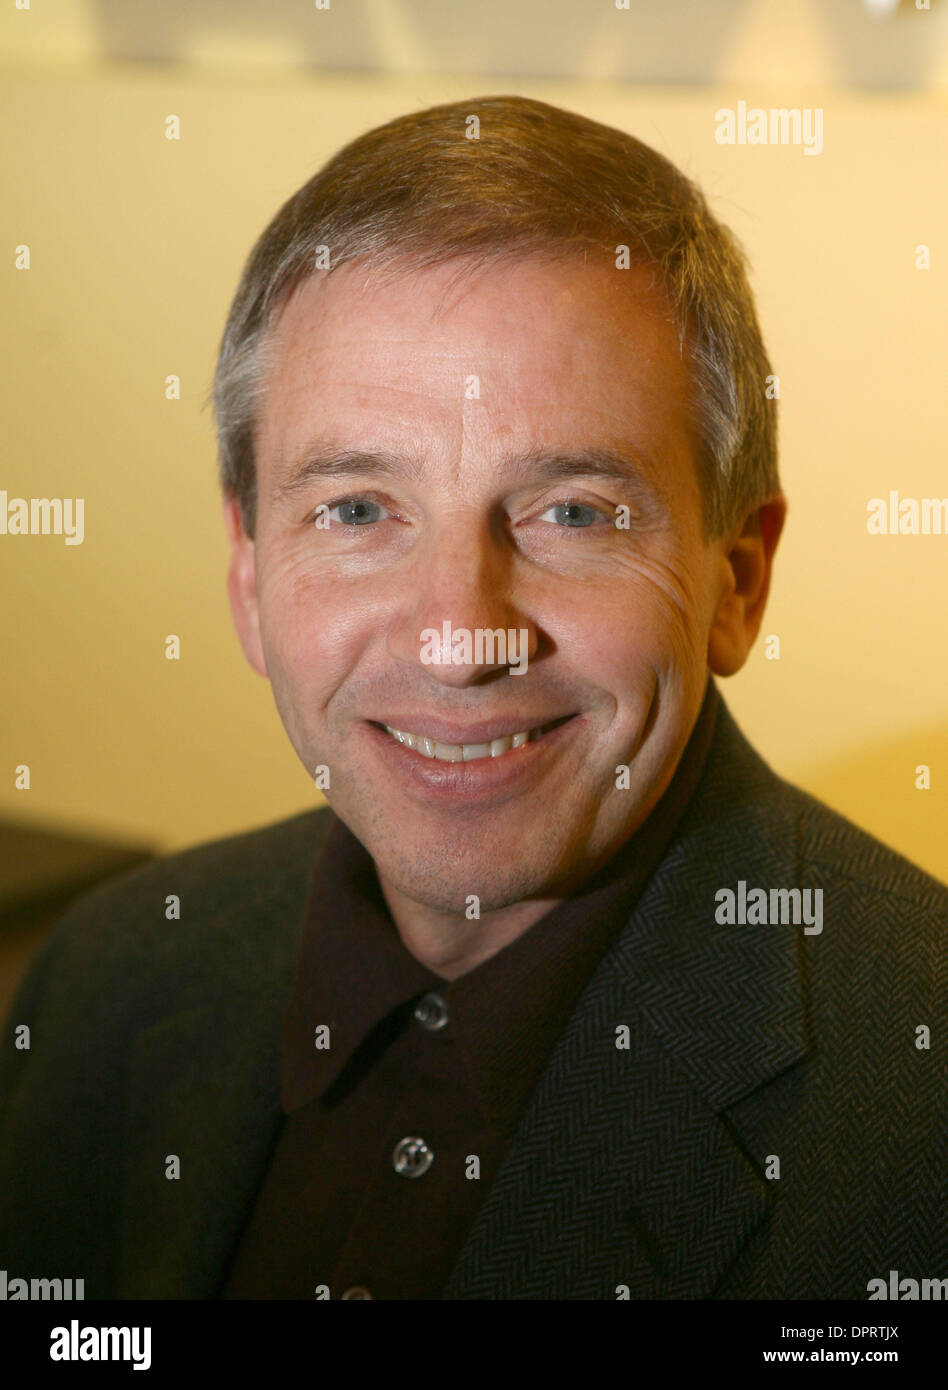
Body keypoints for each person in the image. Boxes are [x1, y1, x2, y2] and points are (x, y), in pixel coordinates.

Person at [0, 95, 944, 1301]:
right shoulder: (106, 975)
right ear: (247, 577)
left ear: (737, 584)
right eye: (356, 509)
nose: (457, 638)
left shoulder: (919, 1122)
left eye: (574, 512)